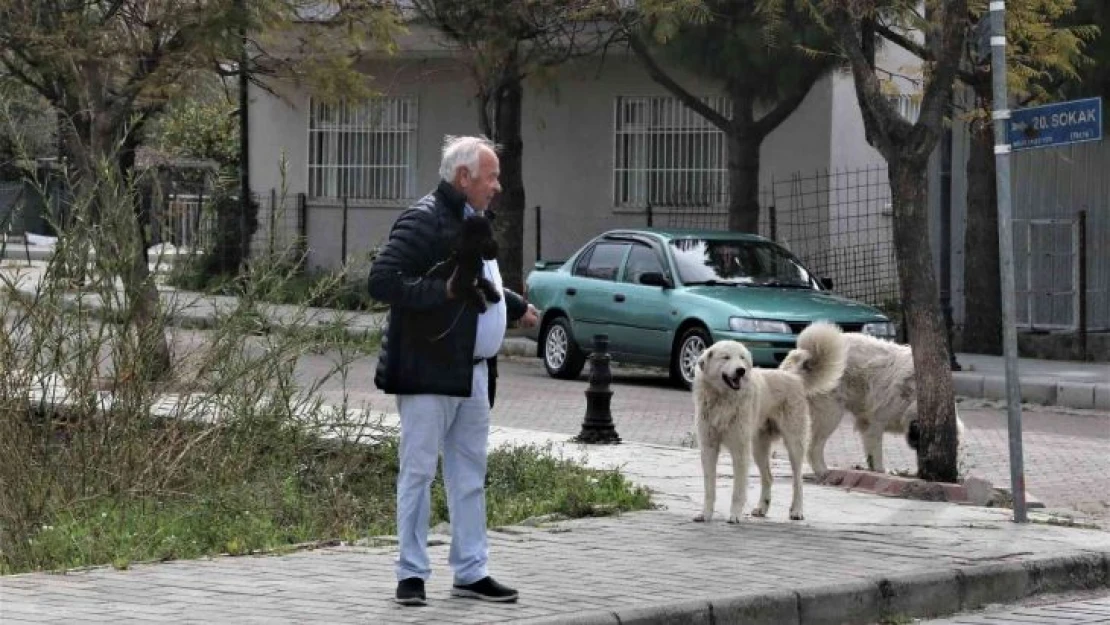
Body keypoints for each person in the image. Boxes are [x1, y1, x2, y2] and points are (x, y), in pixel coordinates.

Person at [368, 135, 539, 607]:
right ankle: (411, 574)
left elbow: (477, 283)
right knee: (418, 472)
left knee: (469, 475)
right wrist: (441, 293)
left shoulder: (473, 220)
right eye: (491, 177)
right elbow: (382, 281)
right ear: (464, 178)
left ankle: (471, 570)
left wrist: (516, 306)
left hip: (474, 372)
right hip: (427, 369)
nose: (498, 186)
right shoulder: (423, 219)